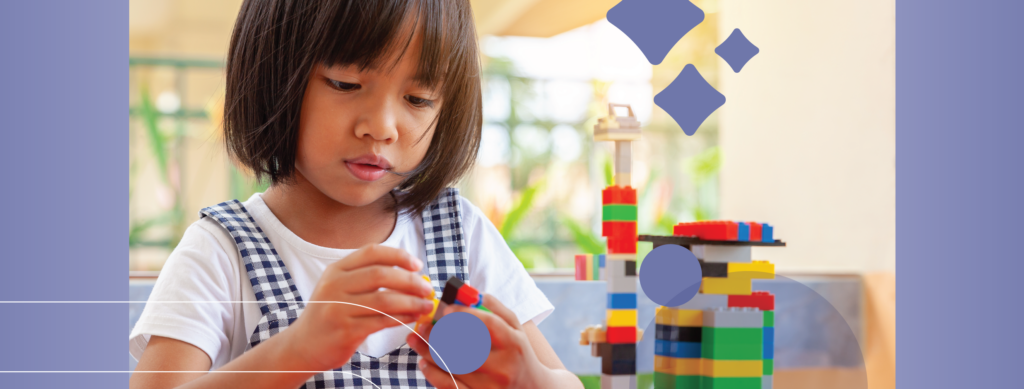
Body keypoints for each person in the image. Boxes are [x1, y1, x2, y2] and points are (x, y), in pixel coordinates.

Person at [129, 1, 582, 388]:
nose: (382, 127)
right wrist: (296, 350)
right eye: (346, 84)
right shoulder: (223, 251)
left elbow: (561, 380)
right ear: (274, 75)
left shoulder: (460, 234)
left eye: (419, 99)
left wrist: (529, 378)